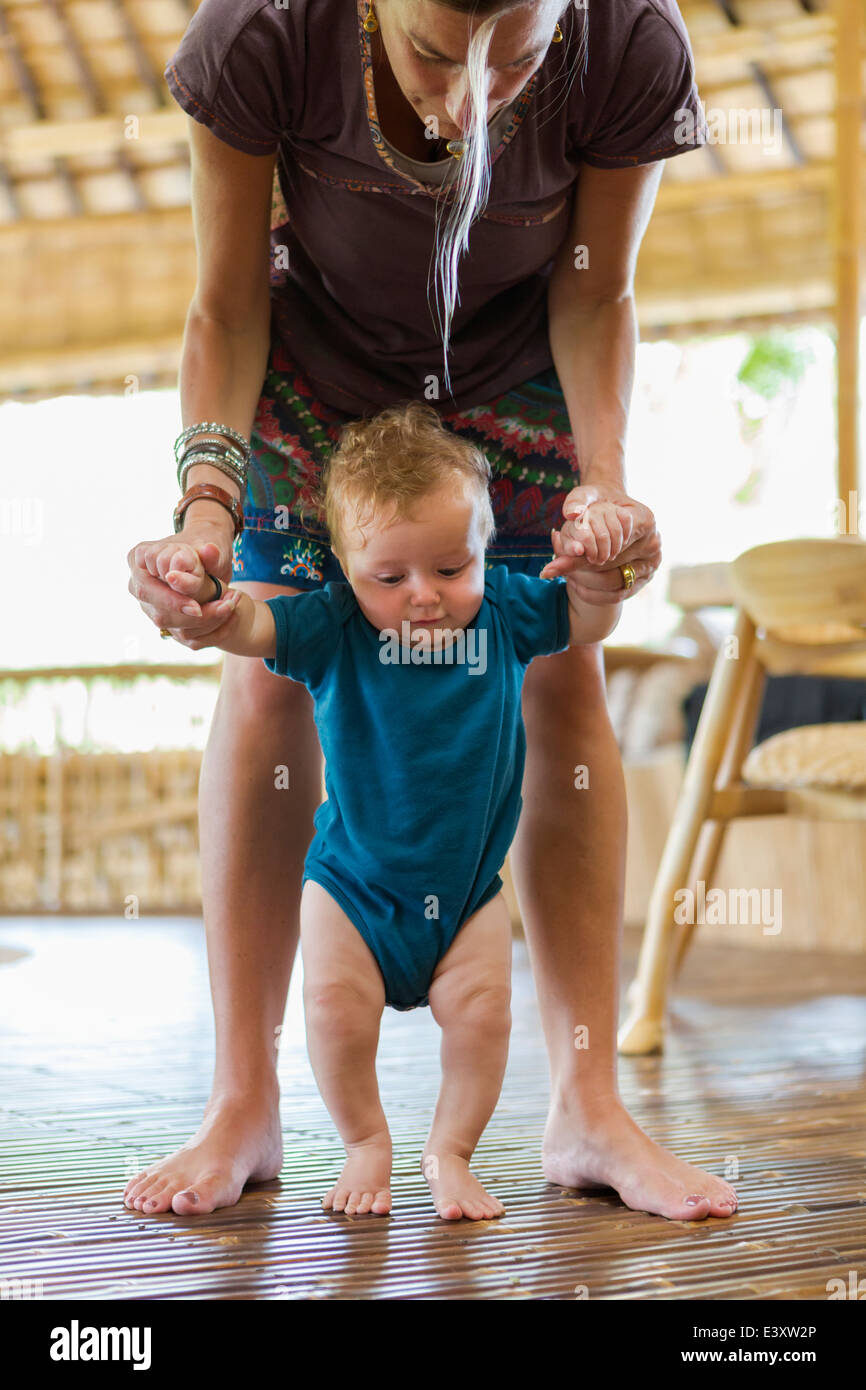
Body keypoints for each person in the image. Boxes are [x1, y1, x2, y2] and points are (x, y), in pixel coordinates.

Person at [125, 0, 739, 1222]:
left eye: (513, 61)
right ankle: (243, 1100)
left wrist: (602, 492)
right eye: (427, 59)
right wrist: (206, 508)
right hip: (312, 357)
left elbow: (596, 290)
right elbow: (228, 301)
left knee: (561, 670)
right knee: (266, 667)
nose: (471, 105)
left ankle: (587, 1107)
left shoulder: (625, 41)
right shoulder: (263, 33)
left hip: (516, 363)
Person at [159, 401, 626, 1219]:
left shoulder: (508, 612)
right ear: (344, 567)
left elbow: (589, 619)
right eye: (391, 577)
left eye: (451, 568)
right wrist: (208, 607)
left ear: (483, 550)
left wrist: (595, 576)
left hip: (469, 895)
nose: (425, 597)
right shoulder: (334, 626)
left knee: (484, 1019)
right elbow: (252, 623)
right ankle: (365, 1140)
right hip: (352, 892)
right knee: (335, 1013)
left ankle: (449, 1150)